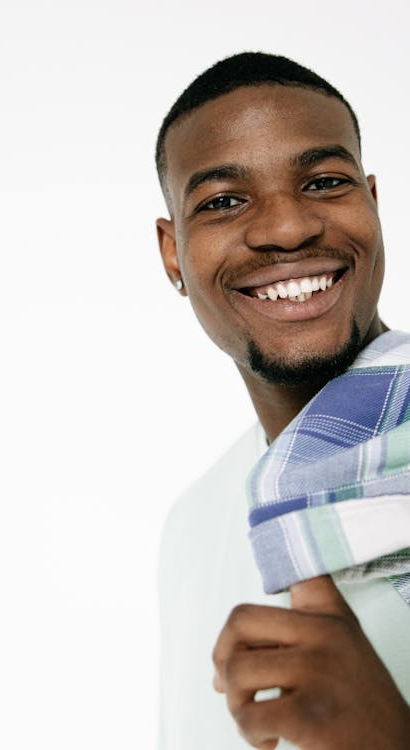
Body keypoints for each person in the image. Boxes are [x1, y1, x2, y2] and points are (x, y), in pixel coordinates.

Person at [154, 52, 410, 750]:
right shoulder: (191, 528)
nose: (288, 228)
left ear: (373, 205)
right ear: (173, 254)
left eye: (325, 182)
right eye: (224, 201)